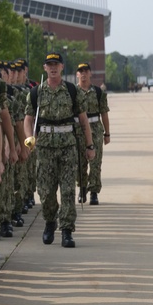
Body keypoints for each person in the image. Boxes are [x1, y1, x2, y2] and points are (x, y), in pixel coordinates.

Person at [24, 53, 94, 248]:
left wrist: (89, 146)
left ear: (62, 67)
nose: (53, 68)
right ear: (45, 68)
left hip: (67, 147)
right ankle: (49, 221)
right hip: (45, 147)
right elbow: (28, 119)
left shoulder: (71, 91)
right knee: (45, 192)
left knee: (68, 190)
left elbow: (83, 120)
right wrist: (29, 137)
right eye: (49, 65)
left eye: (56, 64)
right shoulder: (36, 92)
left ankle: (66, 230)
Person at [74, 63, 110, 205]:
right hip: (78, 130)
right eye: (80, 71)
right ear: (77, 74)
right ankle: (82, 189)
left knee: (95, 163)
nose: (83, 74)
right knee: (79, 163)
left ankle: (94, 192)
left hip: (95, 128)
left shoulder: (98, 92)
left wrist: (107, 133)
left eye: (86, 71)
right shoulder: (72, 92)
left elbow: (104, 113)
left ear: (90, 74)